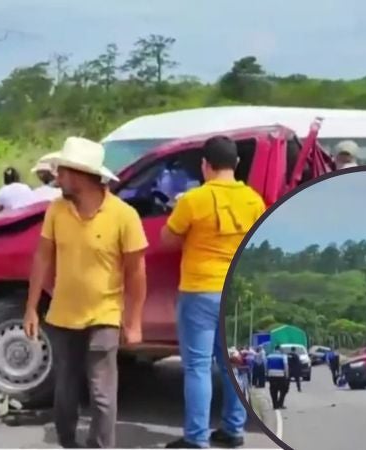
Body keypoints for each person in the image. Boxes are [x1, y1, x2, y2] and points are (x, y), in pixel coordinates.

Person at [23, 136, 148, 449]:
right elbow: (42, 258)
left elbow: (136, 273)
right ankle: (68, 442)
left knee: (102, 394)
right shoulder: (56, 210)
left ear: (81, 175)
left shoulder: (124, 215)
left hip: (104, 315)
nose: (57, 177)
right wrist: (31, 308)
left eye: (63, 172)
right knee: (65, 390)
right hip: (63, 316)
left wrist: (133, 322)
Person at [161, 136, 265, 449]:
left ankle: (196, 437)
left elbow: (168, 239)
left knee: (198, 367)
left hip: (200, 290)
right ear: (236, 164)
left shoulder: (193, 200)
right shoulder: (254, 200)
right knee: (233, 363)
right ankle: (233, 429)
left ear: (205, 165)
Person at [266, 345, 289, 410]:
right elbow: (286, 366)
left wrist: (267, 374)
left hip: (271, 374)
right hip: (281, 375)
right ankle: (280, 403)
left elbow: (266, 365)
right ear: (280, 349)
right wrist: (287, 375)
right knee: (283, 390)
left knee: (273, 390)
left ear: (274, 349)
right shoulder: (283, 356)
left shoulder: (269, 356)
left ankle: (275, 405)